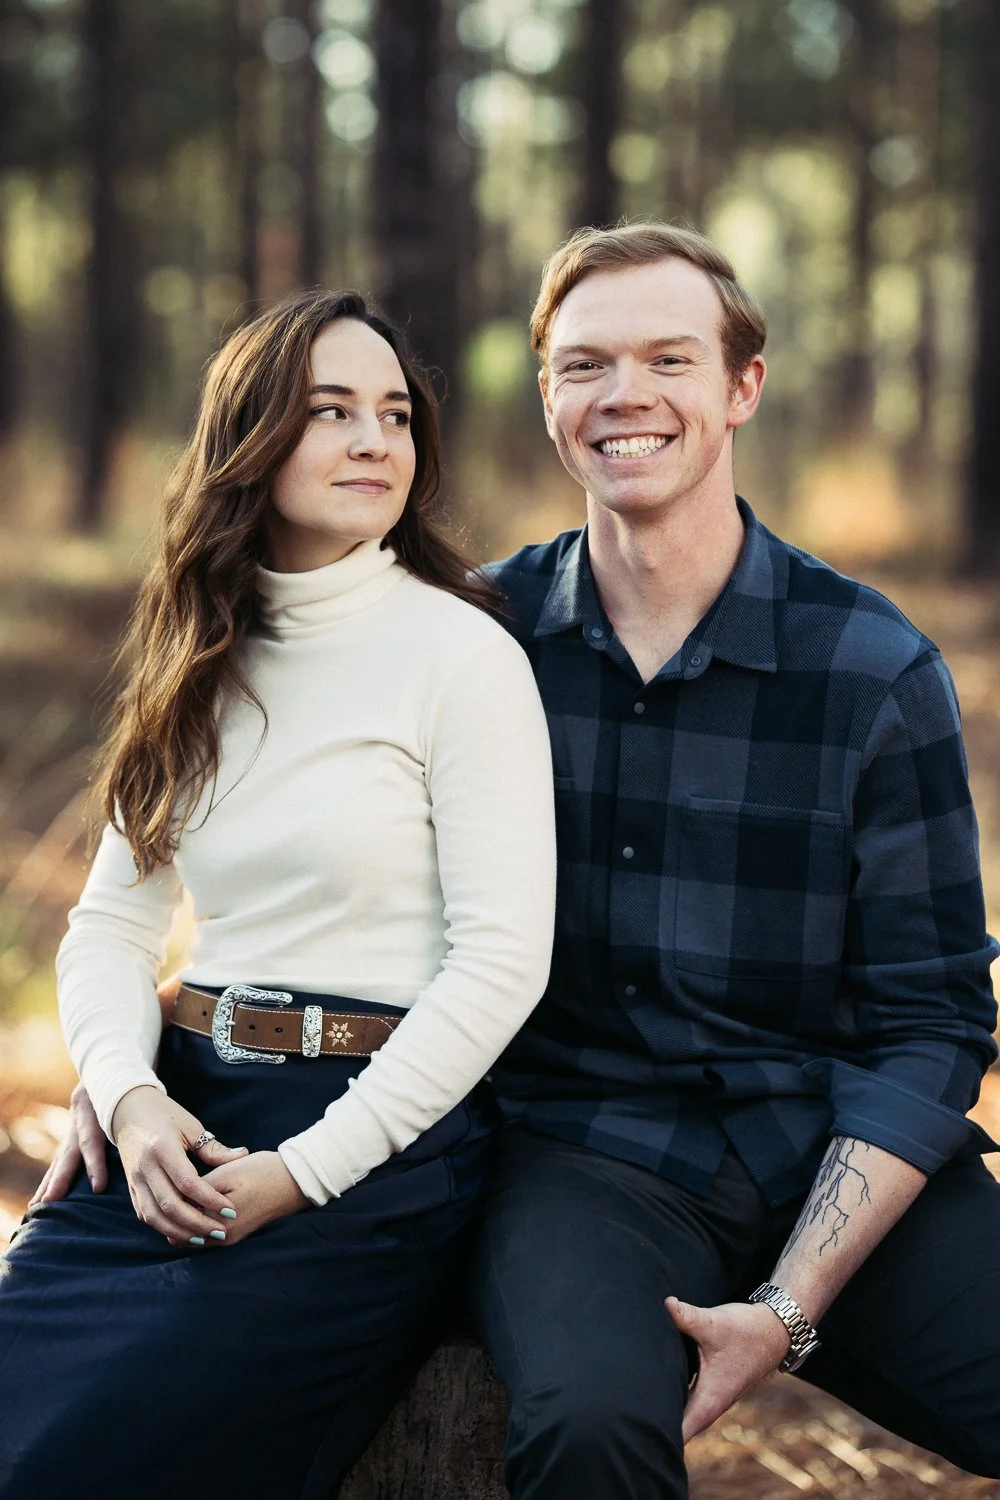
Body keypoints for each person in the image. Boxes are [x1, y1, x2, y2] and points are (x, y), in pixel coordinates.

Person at [42, 225, 1000, 1497]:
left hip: (824, 1147)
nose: (625, 396)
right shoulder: (477, 636)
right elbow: (231, 882)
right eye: (584, 364)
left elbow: (934, 1019)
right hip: (582, 1159)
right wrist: (132, 1074)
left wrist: (789, 1304)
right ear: (546, 397)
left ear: (741, 387)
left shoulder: (871, 670)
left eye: (669, 357)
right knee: (585, 1426)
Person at [0, 288, 556, 1499]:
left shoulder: (462, 656)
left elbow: (504, 960)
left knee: (104, 1462)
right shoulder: (199, 652)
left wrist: (305, 1170)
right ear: (248, 439)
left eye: (394, 415)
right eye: (331, 412)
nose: (375, 441)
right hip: (179, 1117)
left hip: (370, 1139)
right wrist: (129, 1095)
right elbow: (109, 926)